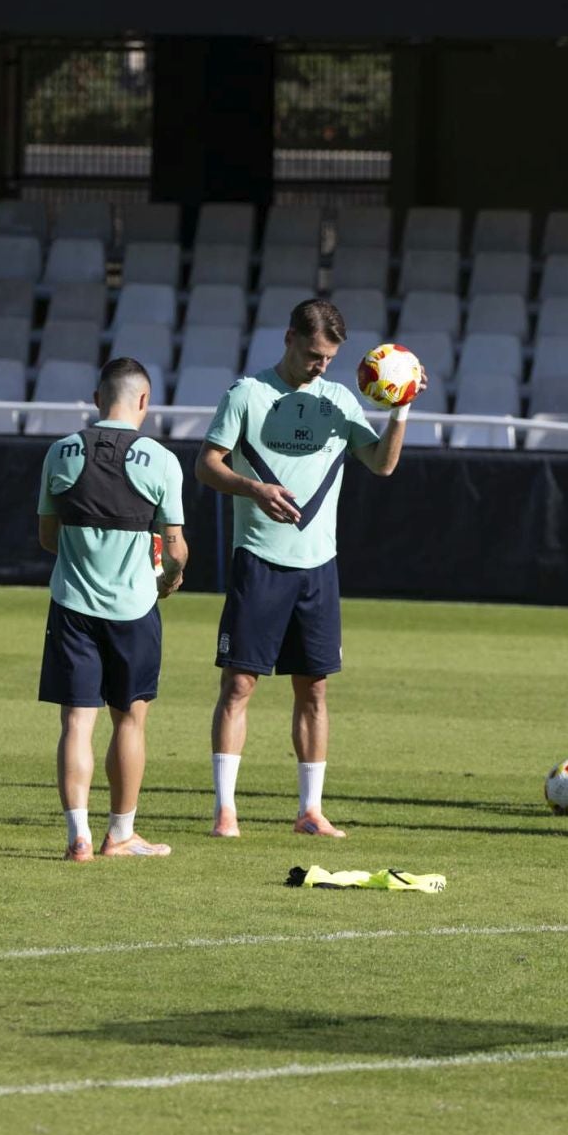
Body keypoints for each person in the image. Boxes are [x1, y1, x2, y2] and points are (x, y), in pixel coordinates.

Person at [196, 299, 408, 838]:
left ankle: (310, 811)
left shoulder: (338, 400)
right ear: (290, 338)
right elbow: (207, 464)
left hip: (318, 568)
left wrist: (400, 408)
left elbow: (382, 465)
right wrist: (253, 487)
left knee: (314, 690)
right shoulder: (247, 394)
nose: (321, 365)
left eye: (329, 358)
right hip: (259, 561)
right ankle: (225, 811)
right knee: (239, 684)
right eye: (314, 354)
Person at [36, 358, 188, 862]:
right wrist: (169, 576)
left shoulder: (60, 452)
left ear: (98, 397)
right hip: (133, 608)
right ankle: (119, 833)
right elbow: (176, 546)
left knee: (77, 722)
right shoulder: (161, 459)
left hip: (72, 605)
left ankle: (76, 836)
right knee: (130, 721)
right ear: (143, 401)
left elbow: (46, 536)